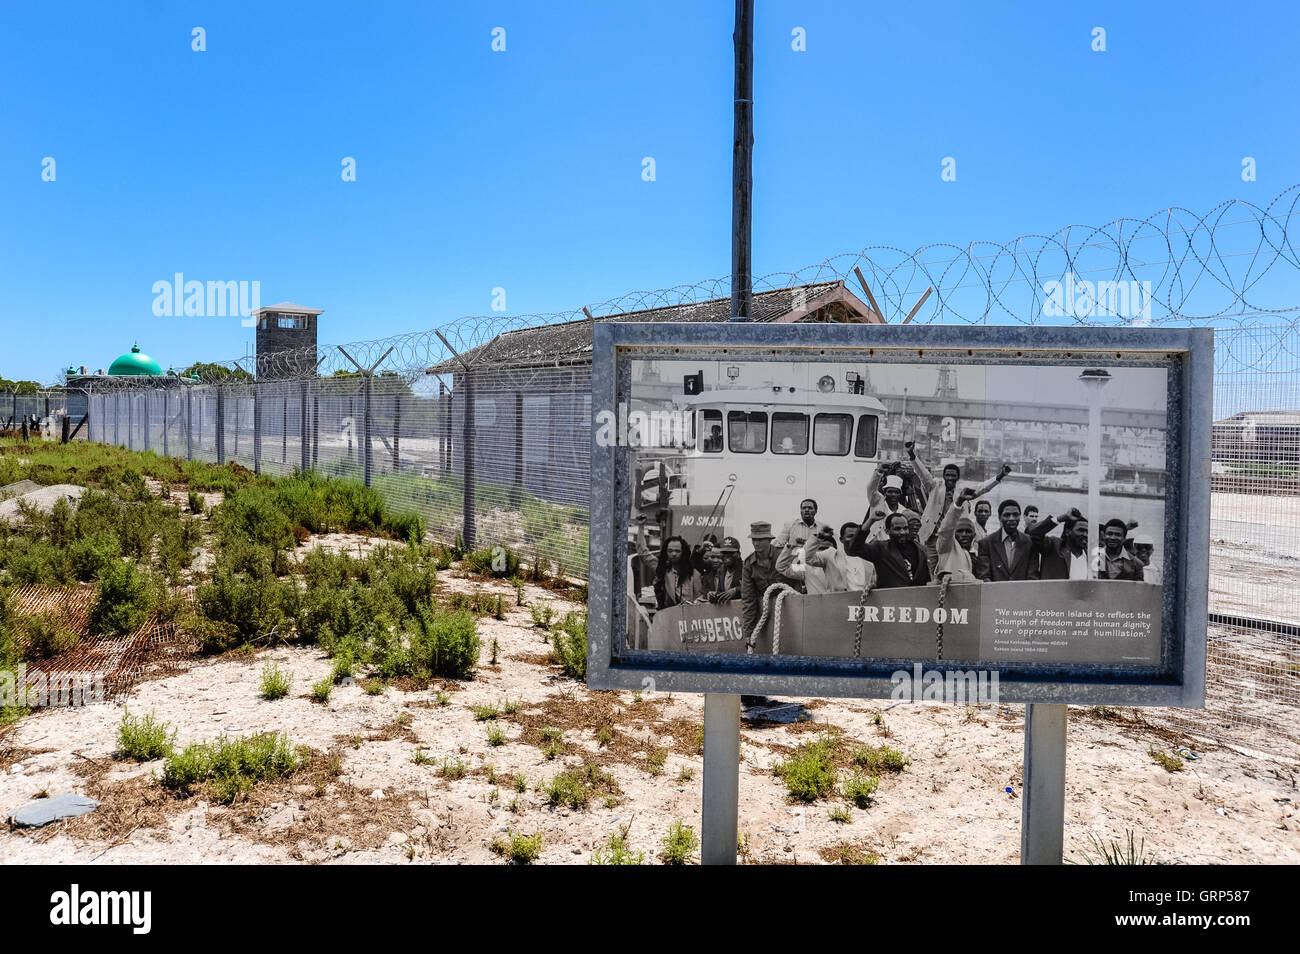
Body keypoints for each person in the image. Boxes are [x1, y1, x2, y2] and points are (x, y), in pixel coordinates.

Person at [906, 442, 1009, 571]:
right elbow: (923, 474)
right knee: (931, 567)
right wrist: (911, 455)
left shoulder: (963, 491)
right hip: (932, 537)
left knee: (952, 568)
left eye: (953, 476)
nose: (950, 478)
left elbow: (983, 488)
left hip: (954, 538)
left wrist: (1000, 476)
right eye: (947, 475)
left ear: (957, 477)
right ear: (943, 476)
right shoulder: (934, 487)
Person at [740, 522, 799, 640]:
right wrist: (749, 634)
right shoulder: (749, 564)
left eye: (761, 539)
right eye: (754, 539)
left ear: (769, 540)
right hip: (768, 614)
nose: (756, 543)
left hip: (793, 611)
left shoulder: (784, 555)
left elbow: (800, 579)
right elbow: (748, 599)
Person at [850, 512, 931, 589]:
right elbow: (855, 548)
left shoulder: (921, 549)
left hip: (918, 599)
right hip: (890, 600)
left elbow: (926, 579)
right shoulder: (880, 549)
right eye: (897, 529)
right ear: (887, 531)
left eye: (905, 528)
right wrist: (871, 520)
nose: (902, 532)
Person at [975, 499, 1038, 581]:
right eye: (1007, 515)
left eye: (1015, 515)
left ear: (1020, 516)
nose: (1011, 518)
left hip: (1023, 592)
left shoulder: (1030, 542)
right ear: (999, 517)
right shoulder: (986, 543)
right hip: (995, 592)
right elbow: (984, 576)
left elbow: (1032, 577)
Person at [1027, 508, 1093, 580]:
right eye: (1081, 530)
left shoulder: (1092, 554)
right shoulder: (1054, 546)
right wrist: (1062, 518)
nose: (1085, 534)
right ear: (1067, 532)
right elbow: (1034, 533)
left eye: (1087, 532)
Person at [934, 488, 982, 583]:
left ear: (974, 535)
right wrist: (959, 502)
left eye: (968, 531)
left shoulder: (978, 551)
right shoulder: (946, 548)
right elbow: (945, 529)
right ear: (954, 533)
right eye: (960, 531)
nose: (964, 535)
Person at [863, 475, 920, 543]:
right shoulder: (877, 504)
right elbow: (871, 488)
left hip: (894, 548)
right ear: (885, 493)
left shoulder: (904, 511)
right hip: (877, 545)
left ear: (900, 494)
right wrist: (878, 473)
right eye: (890, 492)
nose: (893, 494)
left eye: (896, 492)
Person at [653, 535, 702, 608]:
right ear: (665, 552)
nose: (673, 554)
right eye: (670, 551)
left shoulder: (694, 573)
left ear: (683, 552)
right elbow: (643, 553)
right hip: (668, 614)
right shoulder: (663, 569)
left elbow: (699, 599)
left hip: (689, 615)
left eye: (677, 551)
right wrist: (641, 526)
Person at [709, 536, 745, 602]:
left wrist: (736, 590)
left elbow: (754, 588)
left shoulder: (746, 569)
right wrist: (714, 595)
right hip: (727, 611)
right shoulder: (721, 570)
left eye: (731, 553)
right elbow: (722, 593)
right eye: (724, 552)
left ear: (739, 554)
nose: (727, 555)